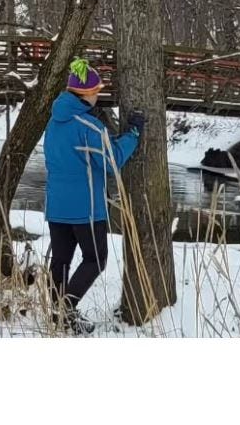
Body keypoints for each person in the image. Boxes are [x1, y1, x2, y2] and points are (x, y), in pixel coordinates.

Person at [43, 57, 145, 334]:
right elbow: (112, 161)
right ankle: (65, 309)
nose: (98, 94)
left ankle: (57, 313)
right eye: (97, 90)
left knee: (61, 259)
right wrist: (134, 134)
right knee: (96, 259)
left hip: (56, 205)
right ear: (85, 93)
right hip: (85, 207)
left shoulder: (53, 123)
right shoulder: (89, 126)